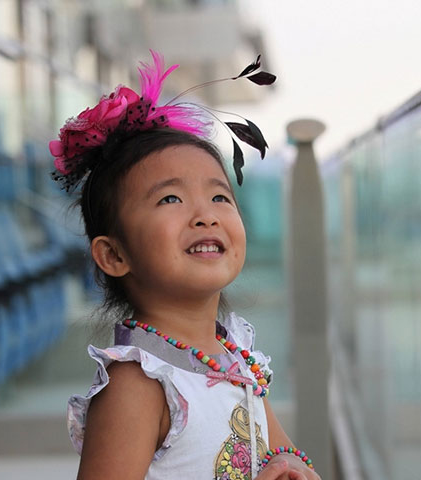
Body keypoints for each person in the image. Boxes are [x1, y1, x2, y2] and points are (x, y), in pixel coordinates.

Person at [49, 50, 320, 480]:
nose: (205, 215)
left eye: (219, 197)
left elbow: (283, 458)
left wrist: (293, 470)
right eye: (170, 199)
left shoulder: (233, 354)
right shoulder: (139, 384)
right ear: (114, 255)